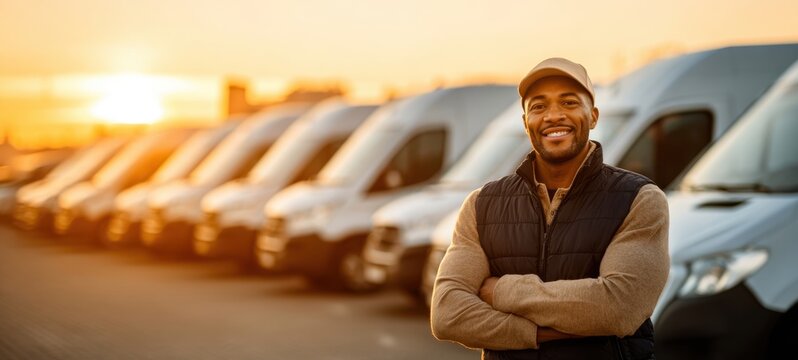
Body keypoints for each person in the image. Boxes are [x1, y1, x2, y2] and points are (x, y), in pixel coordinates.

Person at [430, 57, 669, 359]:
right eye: (539, 107)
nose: (553, 116)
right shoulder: (482, 205)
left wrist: (501, 291)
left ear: (593, 116)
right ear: (525, 122)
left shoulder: (639, 199)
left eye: (569, 103)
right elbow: (447, 313)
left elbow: (618, 308)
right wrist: (539, 334)